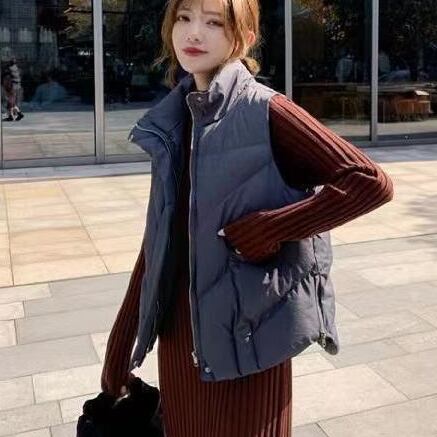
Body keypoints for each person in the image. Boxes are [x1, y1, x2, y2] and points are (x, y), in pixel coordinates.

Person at [101, 0, 394, 436]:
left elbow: (370, 182)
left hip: (250, 340)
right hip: (180, 340)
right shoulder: (175, 119)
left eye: (214, 22)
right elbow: (159, 242)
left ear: (244, 38)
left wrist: (272, 228)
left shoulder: (266, 110)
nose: (193, 32)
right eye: (184, 18)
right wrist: (122, 342)